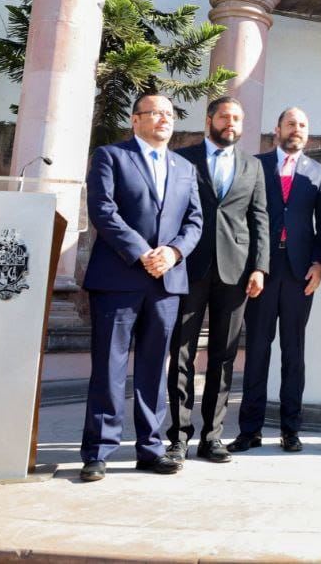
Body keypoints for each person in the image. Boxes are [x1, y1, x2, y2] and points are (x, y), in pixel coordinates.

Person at [79, 92, 203, 482]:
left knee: (153, 367)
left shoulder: (184, 167)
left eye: (169, 113)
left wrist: (174, 253)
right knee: (110, 366)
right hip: (119, 277)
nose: (164, 119)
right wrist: (142, 251)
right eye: (155, 113)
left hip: (166, 281)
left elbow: (195, 222)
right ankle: (98, 450)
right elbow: (103, 209)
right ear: (135, 120)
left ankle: (150, 448)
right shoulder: (110, 157)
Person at [166, 96, 268, 465]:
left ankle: (212, 437)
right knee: (181, 353)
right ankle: (177, 438)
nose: (231, 123)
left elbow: (260, 219)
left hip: (236, 272)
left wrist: (260, 267)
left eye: (237, 118)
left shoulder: (252, 166)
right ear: (209, 119)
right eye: (224, 116)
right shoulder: (183, 158)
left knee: (224, 357)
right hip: (188, 268)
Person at [231, 107, 321, 455]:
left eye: (303, 124)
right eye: (291, 124)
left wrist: (319, 264)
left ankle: (291, 429)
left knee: (294, 351)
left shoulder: (318, 173)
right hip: (262, 270)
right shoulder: (255, 165)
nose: (297, 129)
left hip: (301, 273)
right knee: (257, 349)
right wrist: (251, 264)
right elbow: (242, 218)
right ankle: (250, 429)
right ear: (278, 129)